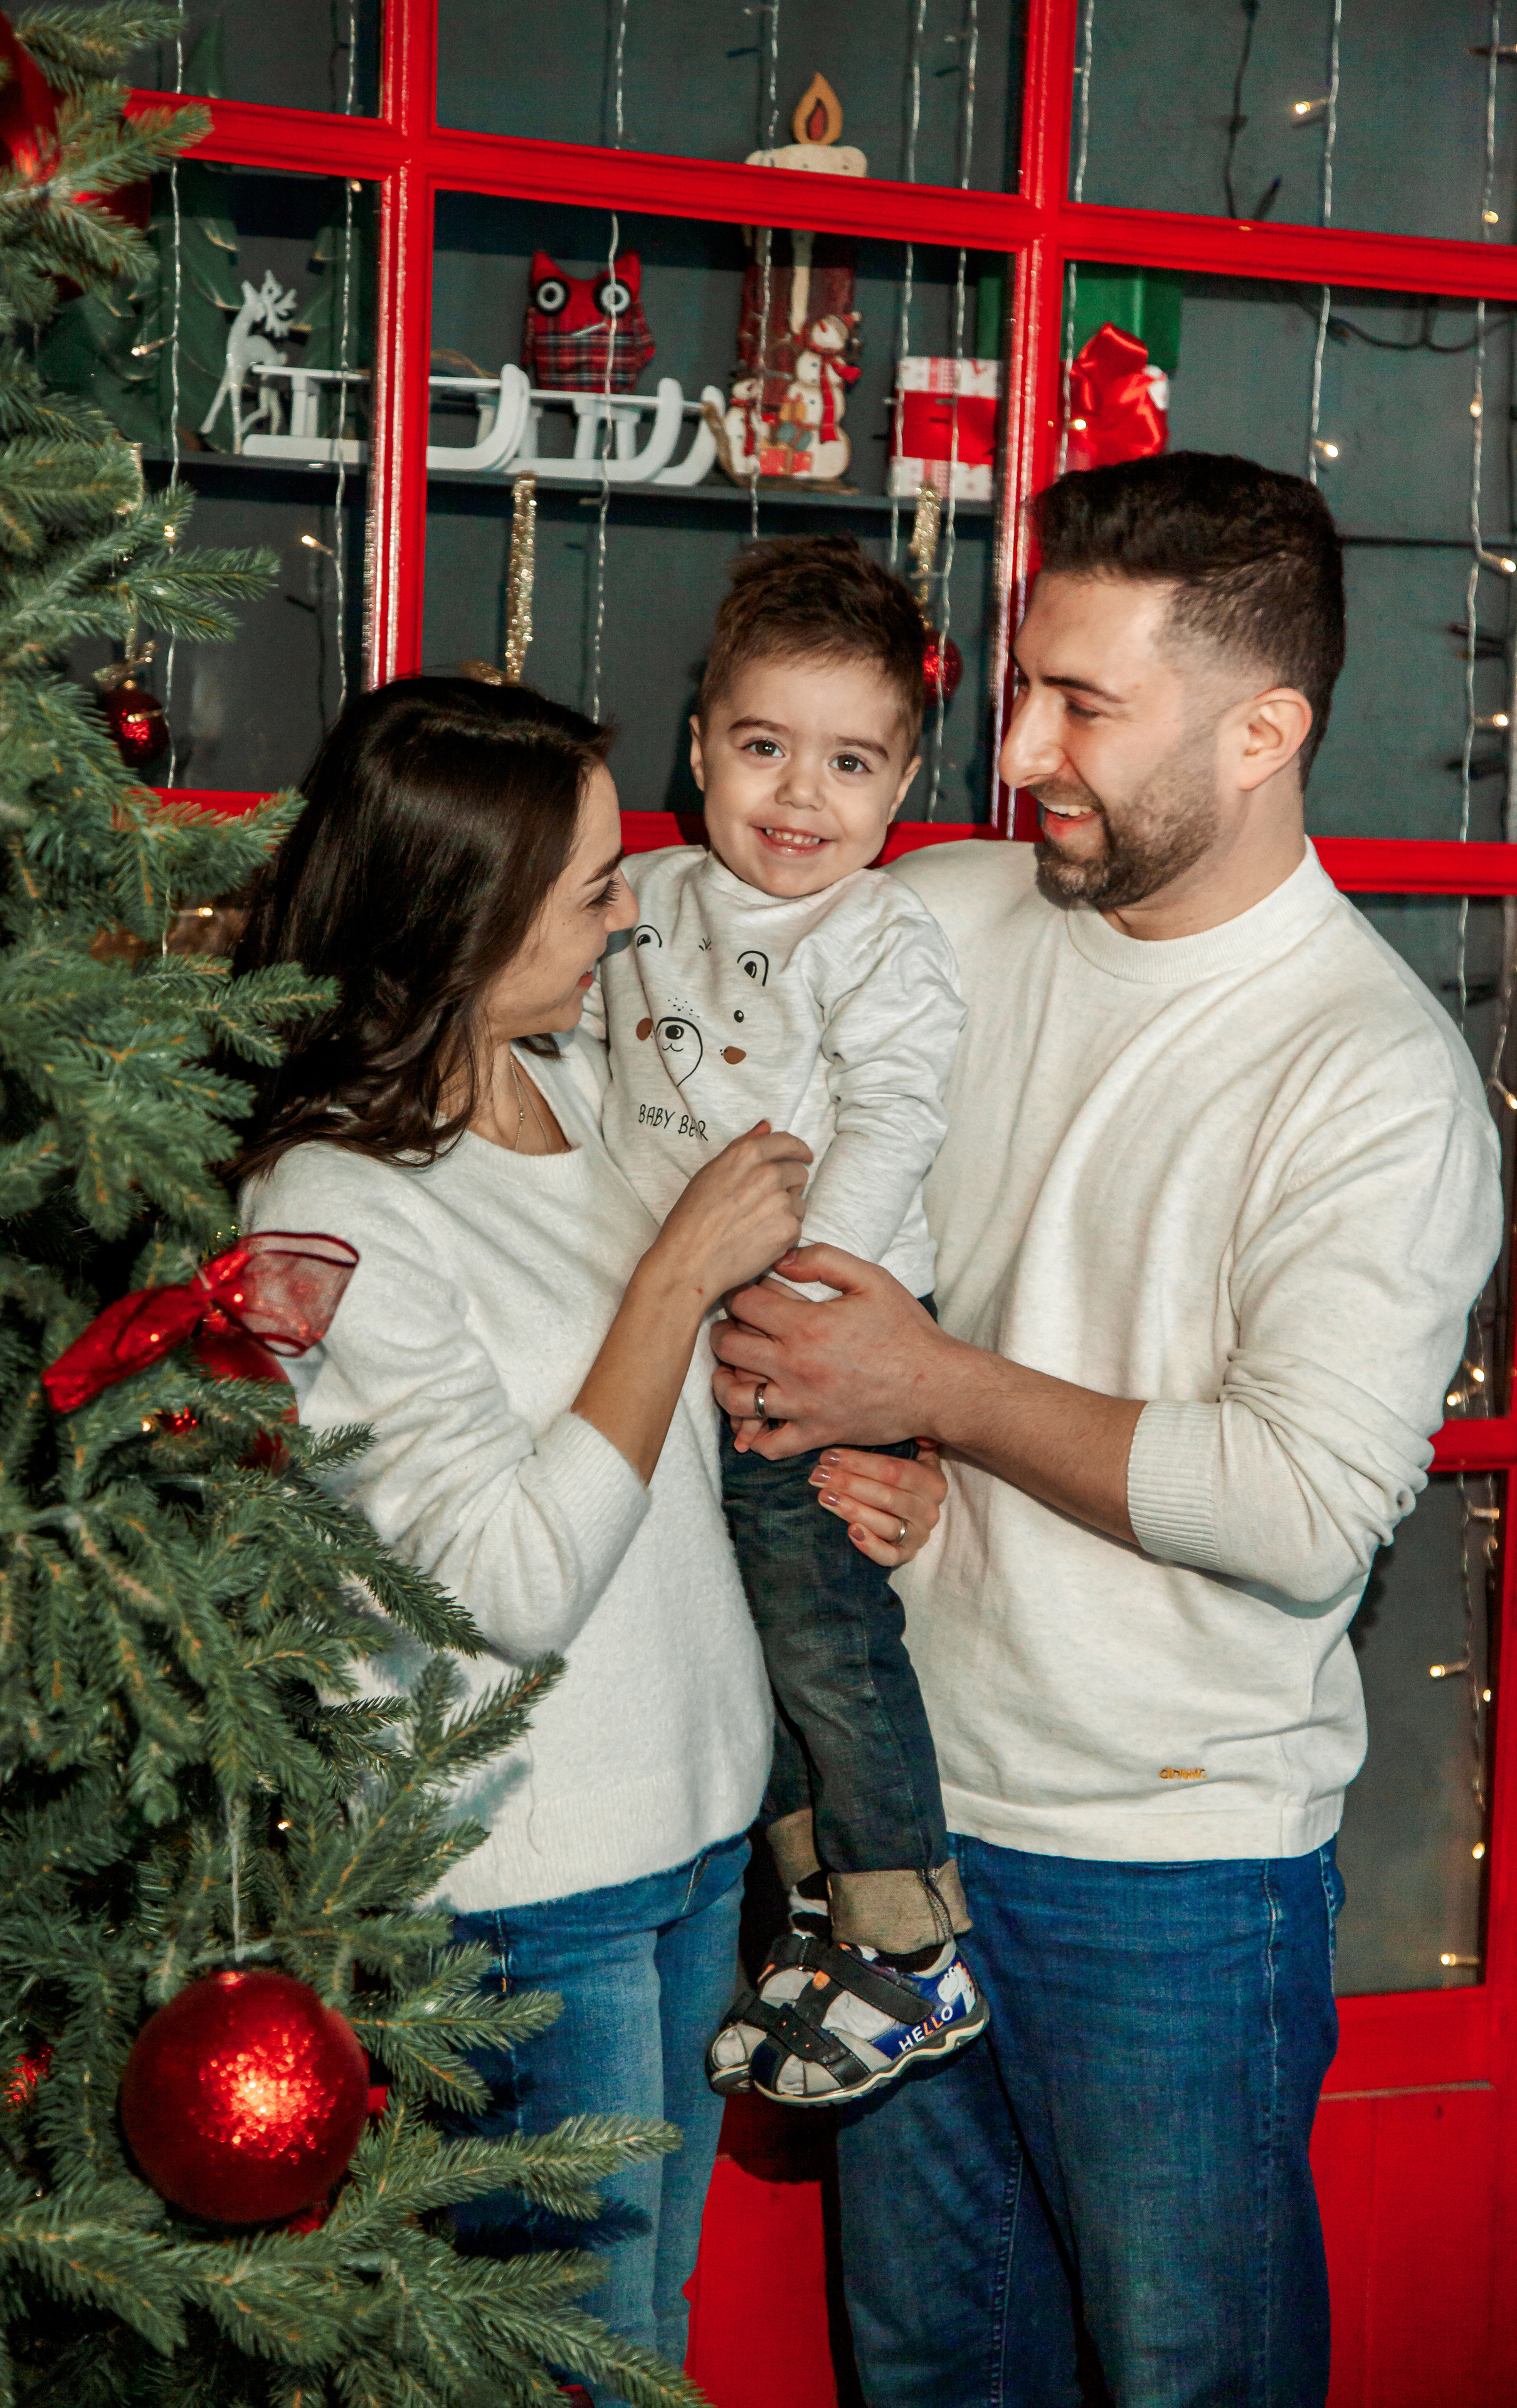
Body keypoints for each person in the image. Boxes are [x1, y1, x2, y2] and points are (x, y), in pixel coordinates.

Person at [707, 453, 1504, 2405]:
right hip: (894, 1830)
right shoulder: (940, 918)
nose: (1019, 753)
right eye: (1022, 690)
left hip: (1171, 1874)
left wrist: (935, 1393)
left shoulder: (1373, 1079)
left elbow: (1307, 1506)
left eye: (1084, 705)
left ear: (1263, 733)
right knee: (928, 2377)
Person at [228, 673, 946, 2400]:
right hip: (521, 1890)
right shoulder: (328, 1200)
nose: (631, 920)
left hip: (691, 1842)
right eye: (592, 889)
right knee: (583, 2372)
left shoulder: (566, 1088)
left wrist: (888, 1463)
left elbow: (686, 1446)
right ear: (464, 914)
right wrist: (674, 1277)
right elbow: (508, 1582)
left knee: (645, 2346)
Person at [589, 536, 984, 2108]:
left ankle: (914, 1936)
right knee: (738, 1640)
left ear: (897, 788)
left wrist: (799, 1299)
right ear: (699, 749)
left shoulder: (877, 936)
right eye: (763, 747)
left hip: (818, 1327)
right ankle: (823, 1913)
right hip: (682, 1334)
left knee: (822, 1628)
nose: (798, 795)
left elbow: (893, 1118)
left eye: (847, 763)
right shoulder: (645, 902)